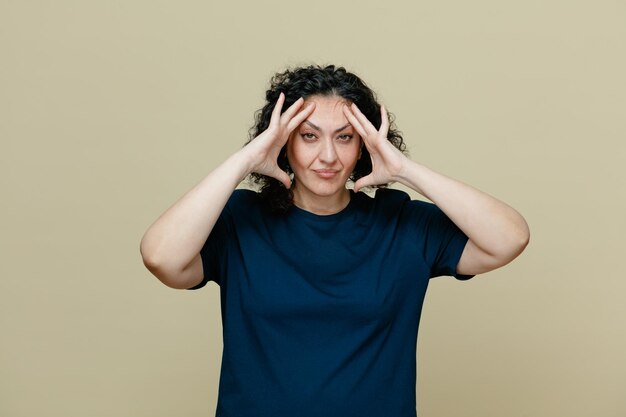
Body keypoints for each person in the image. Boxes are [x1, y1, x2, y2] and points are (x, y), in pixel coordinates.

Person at [140, 64, 530, 417]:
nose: (328, 155)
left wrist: (405, 170)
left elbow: (509, 238)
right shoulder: (241, 221)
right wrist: (244, 160)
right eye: (309, 136)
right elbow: (161, 258)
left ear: (363, 145)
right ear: (283, 143)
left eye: (344, 137)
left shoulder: (402, 223)